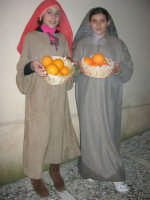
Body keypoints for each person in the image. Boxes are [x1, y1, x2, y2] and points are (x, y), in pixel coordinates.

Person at [16, 0, 80, 197]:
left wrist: (71, 70)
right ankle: (35, 176)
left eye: (57, 13)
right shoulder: (31, 38)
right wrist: (31, 67)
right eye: (49, 12)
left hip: (58, 94)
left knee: (56, 131)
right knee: (37, 135)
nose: (54, 16)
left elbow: (67, 67)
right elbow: (22, 66)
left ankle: (55, 169)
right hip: (39, 95)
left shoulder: (62, 39)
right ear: (40, 16)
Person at [72, 7, 133, 193]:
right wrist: (78, 70)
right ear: (89, 23)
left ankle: (115, 175)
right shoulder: (81, 44)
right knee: (89, 133)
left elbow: (128, 67)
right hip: (87, 95)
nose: (98, 25)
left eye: (102, 21)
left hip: (109, 96)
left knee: (109, 132)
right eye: (94, 21)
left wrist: (117, 69)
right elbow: (72, 69)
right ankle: (91, 170)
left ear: (108, 22)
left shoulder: (117, 43)